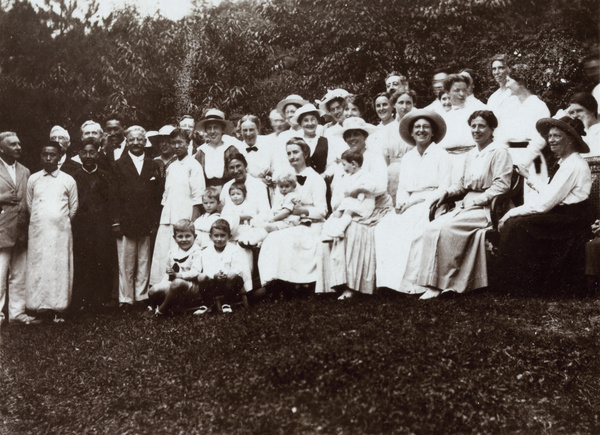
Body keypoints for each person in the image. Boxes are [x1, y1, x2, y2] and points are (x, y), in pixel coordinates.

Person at [410, 110, 512, 299]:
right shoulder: (471, 154)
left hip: (488, 208)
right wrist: (447, 193)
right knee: (432, 227)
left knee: (448, 229)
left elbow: (502, 186)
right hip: (467, 205)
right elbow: (462, 184)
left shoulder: (499, 152)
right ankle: (433, 283)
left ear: (491, 129)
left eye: (481, 126)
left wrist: (478, 200)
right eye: (473, 126)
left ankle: (447, 283)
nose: (476, 130)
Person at [499, 116, 594, 293]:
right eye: (549, 136)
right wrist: (529, 177)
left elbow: (545, 204)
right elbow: (551, 194)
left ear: (571, 140)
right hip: (562, 215)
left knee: (518, 224)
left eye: (557, 136)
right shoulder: (564, 162)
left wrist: (510, 213)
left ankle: (522, 286)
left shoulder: (573, 165)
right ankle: (515, 284)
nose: (551, 140)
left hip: (572, 221)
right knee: (518, 223)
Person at [375, 110, 451, 293]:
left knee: (415, 228)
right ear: (411, 133)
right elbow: (403, 188)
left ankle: (414, 284)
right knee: (385, 226)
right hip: (409, 202)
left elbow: (445, 188)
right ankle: (391, 282)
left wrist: (419, 203)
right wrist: (401, 203)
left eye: (426, 127)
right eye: (417, 127)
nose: (421, 130)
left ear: (433, 132)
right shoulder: (408, 158)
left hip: (433, 202)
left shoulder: (442, 155)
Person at [318, 117, 392, 299]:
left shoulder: (374, 157)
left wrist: (358, 193)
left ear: (364, 136)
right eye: (348, 135)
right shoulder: (344, 161)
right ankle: (332, 284)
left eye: (356, 134)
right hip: (349, 206)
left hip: (375, 206)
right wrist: (339, 207)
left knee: (352, 228)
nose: (352, 138)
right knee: (331, 226)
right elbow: (337, 191)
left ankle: (352, 285)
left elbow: (381, 186)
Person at [258, 138, 327, 290]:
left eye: (296, 152)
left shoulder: (315, 179)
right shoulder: (284, 178)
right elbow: (276, 206)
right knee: (271, 238)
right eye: (289, 153)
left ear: (306, 153)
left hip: (311, 224)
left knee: (284, 238)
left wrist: (301, 211)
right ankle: (273, 281)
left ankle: (294, 281)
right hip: (287, 222)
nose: (292, 157)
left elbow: (322, 211)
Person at [26, 140, 78, 322]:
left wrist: (58, 222)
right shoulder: (33, 179)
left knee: (58, 267)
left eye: (52, 155)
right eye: (44, 154)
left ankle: (59, 308)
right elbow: (30, 205)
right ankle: (38, 308)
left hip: (60, 233)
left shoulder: (68, 180)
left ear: (60, 157)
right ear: (40, 156)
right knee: (39, 267)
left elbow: (73, 208)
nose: (48, 158)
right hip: (39, 232)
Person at [111, 126, 162, 310]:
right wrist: (116, 221)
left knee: (143, 260)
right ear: (127, 141)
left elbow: (157, 197)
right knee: (126, 260)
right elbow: (114, 195)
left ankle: (141, 296)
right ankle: (125, 299)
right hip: (126, 219)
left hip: (146, 219)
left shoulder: (152, 164)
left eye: (139, 139)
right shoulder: (118, 164)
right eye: (132, 139)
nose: (136, 143)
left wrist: (155, 221)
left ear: (145, 141)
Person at [150, 128, 206, 286]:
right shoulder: (171, 166)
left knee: (181, 251)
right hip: (168, 215)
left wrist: (192, 223)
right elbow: (165, 195)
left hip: (184, 215)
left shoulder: (193, 166)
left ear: (188, 144)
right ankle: (161, 286)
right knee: (164, 252)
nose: (176, 146)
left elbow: (197, 197)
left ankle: (180, 286)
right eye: (173, 143)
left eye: (180, 142)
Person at [71, 141, 116, 311]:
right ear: (80, 155)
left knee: (101, 260)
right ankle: (82, 300)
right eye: (85, 153)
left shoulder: (105, 176)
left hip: (101, 226)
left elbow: (111, 201)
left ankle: (100, 299)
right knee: (82, 260)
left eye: (92, 153)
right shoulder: (73, 177)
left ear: (97, 154)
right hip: (80, 226)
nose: (88, 156)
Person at [0, 132, 38, 325]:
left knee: (19, 273)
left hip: (21, 229)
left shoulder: (25, 171)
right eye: (13, 145)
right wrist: (2, 198)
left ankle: (17, 313)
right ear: (1, 149)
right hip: (2, 229)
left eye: (19, 144)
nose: (18, 147)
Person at [493, 64, 551, 190]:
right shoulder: (508, 105)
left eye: (509, 81)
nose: (506, 85)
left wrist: (524, 162)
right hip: (509, 158)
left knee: (531, 197)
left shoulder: (539, 106)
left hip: (531, 159)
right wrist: (502, 159)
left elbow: (540, 139)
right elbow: (500, 134)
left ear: (520, 83)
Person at [147, 219, 204, 317]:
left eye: (188, 236)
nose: (184, 239)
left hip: (191, 285)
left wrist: (178, 275)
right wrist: (162, 284)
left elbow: (196, 272)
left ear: (194, 237)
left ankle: (162, 310)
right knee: (153, 290)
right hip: (174, 284)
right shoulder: (172, 252)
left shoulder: (197, 251)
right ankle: (153, 307)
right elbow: (168, 272)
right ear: (174, 238)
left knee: (177, 282)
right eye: (180, 236)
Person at [439, 74, 487, 184]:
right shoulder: (443, 117)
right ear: (447, 92)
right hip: (449, 164)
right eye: (457, 90)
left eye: (464, 90)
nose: (461, 94)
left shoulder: (476, 113)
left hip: (472, 161)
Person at [198, 219, 252, 313]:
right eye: (216, 235)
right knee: (202, 277)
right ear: (210, 237)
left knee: (233, 275)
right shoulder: (205, 252)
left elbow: (237, 267)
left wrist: (226, 274)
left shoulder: (234, 250)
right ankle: (207, 304)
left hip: (231, 281)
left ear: (229, 236)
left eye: (223, 235)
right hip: (215, 282)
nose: (219, 239)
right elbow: (207, 269)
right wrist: (215, 275)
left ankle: (226, 303)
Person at [321, 148, 376, 240]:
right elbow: (344, 192)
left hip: (363, 203)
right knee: (337, 212)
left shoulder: (366, 175)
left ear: (353, 164)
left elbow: (371, 187)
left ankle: (340, 229)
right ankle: (329, 231)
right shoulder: (348, 177)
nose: (343, 168)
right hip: (350, 202)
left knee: (348, 211)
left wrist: (358, 190)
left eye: (344, 165)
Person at [194, 109, 242, 189]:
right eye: (209, 128)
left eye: (216, 127)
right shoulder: (201, 152)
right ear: (205, 130)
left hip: (229, 191)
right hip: (207, 194)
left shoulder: (230, 150)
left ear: (222, 129)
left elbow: (238, 175)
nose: (212, 131)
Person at [237, 114, 275, 180]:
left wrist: (270, 177)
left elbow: (275, 167)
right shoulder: (238, 149)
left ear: (258, 130)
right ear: (241, 131)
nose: (248, 134)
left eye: (251, 130)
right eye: (245, 130)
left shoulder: (269, 144)